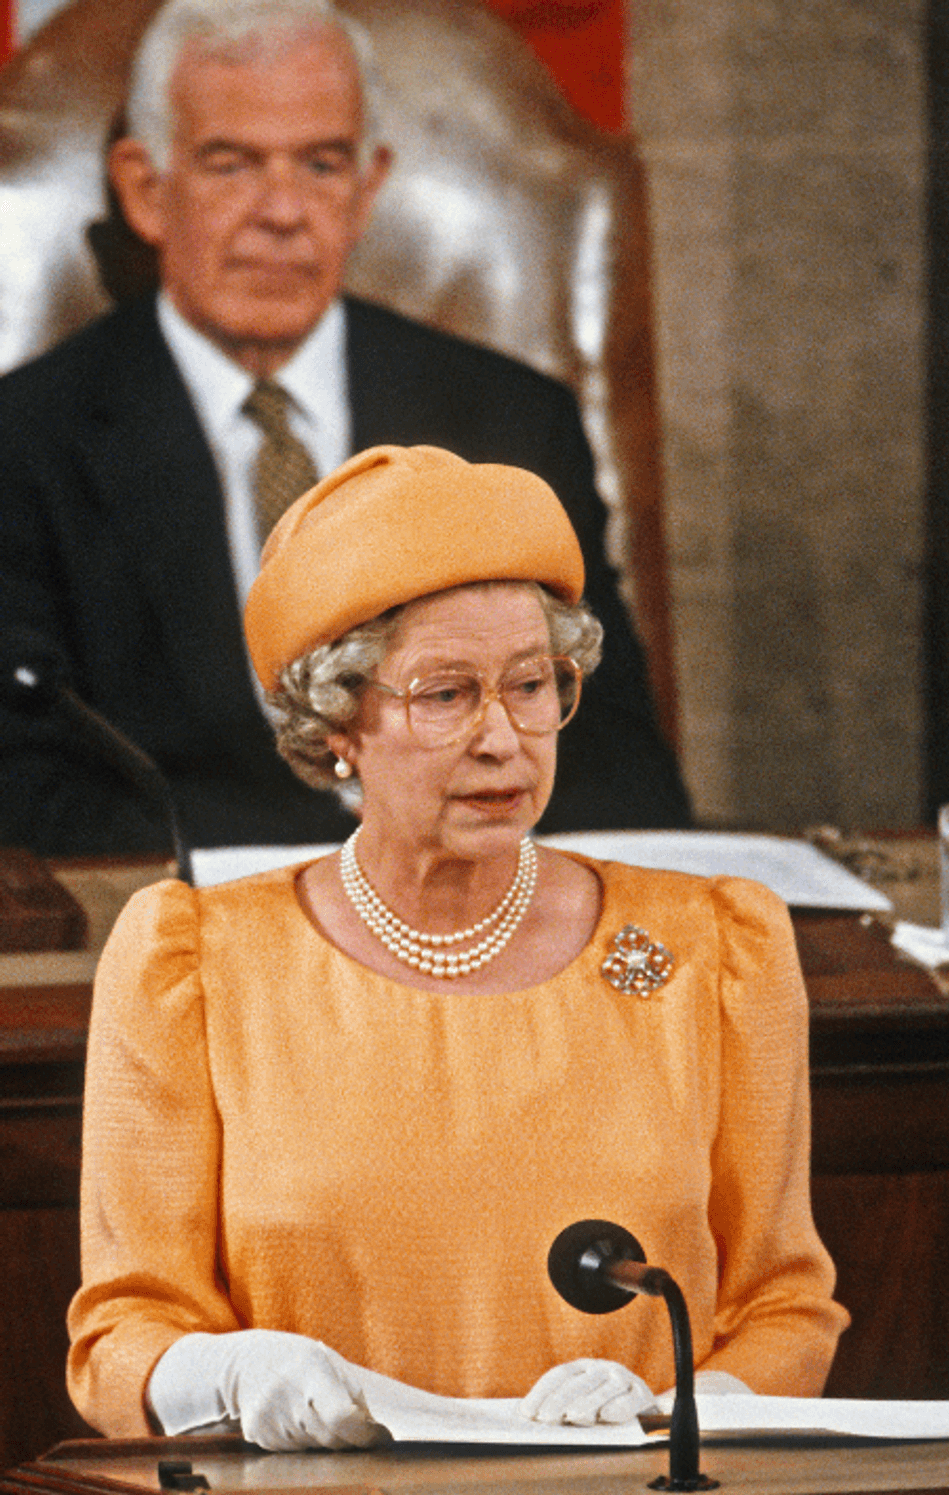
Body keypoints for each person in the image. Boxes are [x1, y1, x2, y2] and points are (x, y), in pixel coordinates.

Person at [67, 445, 845, 1449]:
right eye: (446, 694)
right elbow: (121, 1337)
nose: (503, 737)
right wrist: (228, 1372)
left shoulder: (714, 947)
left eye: (531, 684)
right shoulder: (197, 961)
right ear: (337, 720)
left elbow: (785, 1308)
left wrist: (682, 1411)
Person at [0, 0, 690, 856]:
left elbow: (618, 767)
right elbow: (27, 790)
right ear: (147, 190)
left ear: (367, 191)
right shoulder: (24, 441)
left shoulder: (510, 421)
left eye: (322, 165)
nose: (283, 212)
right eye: (231, 164)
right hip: (189, 930)